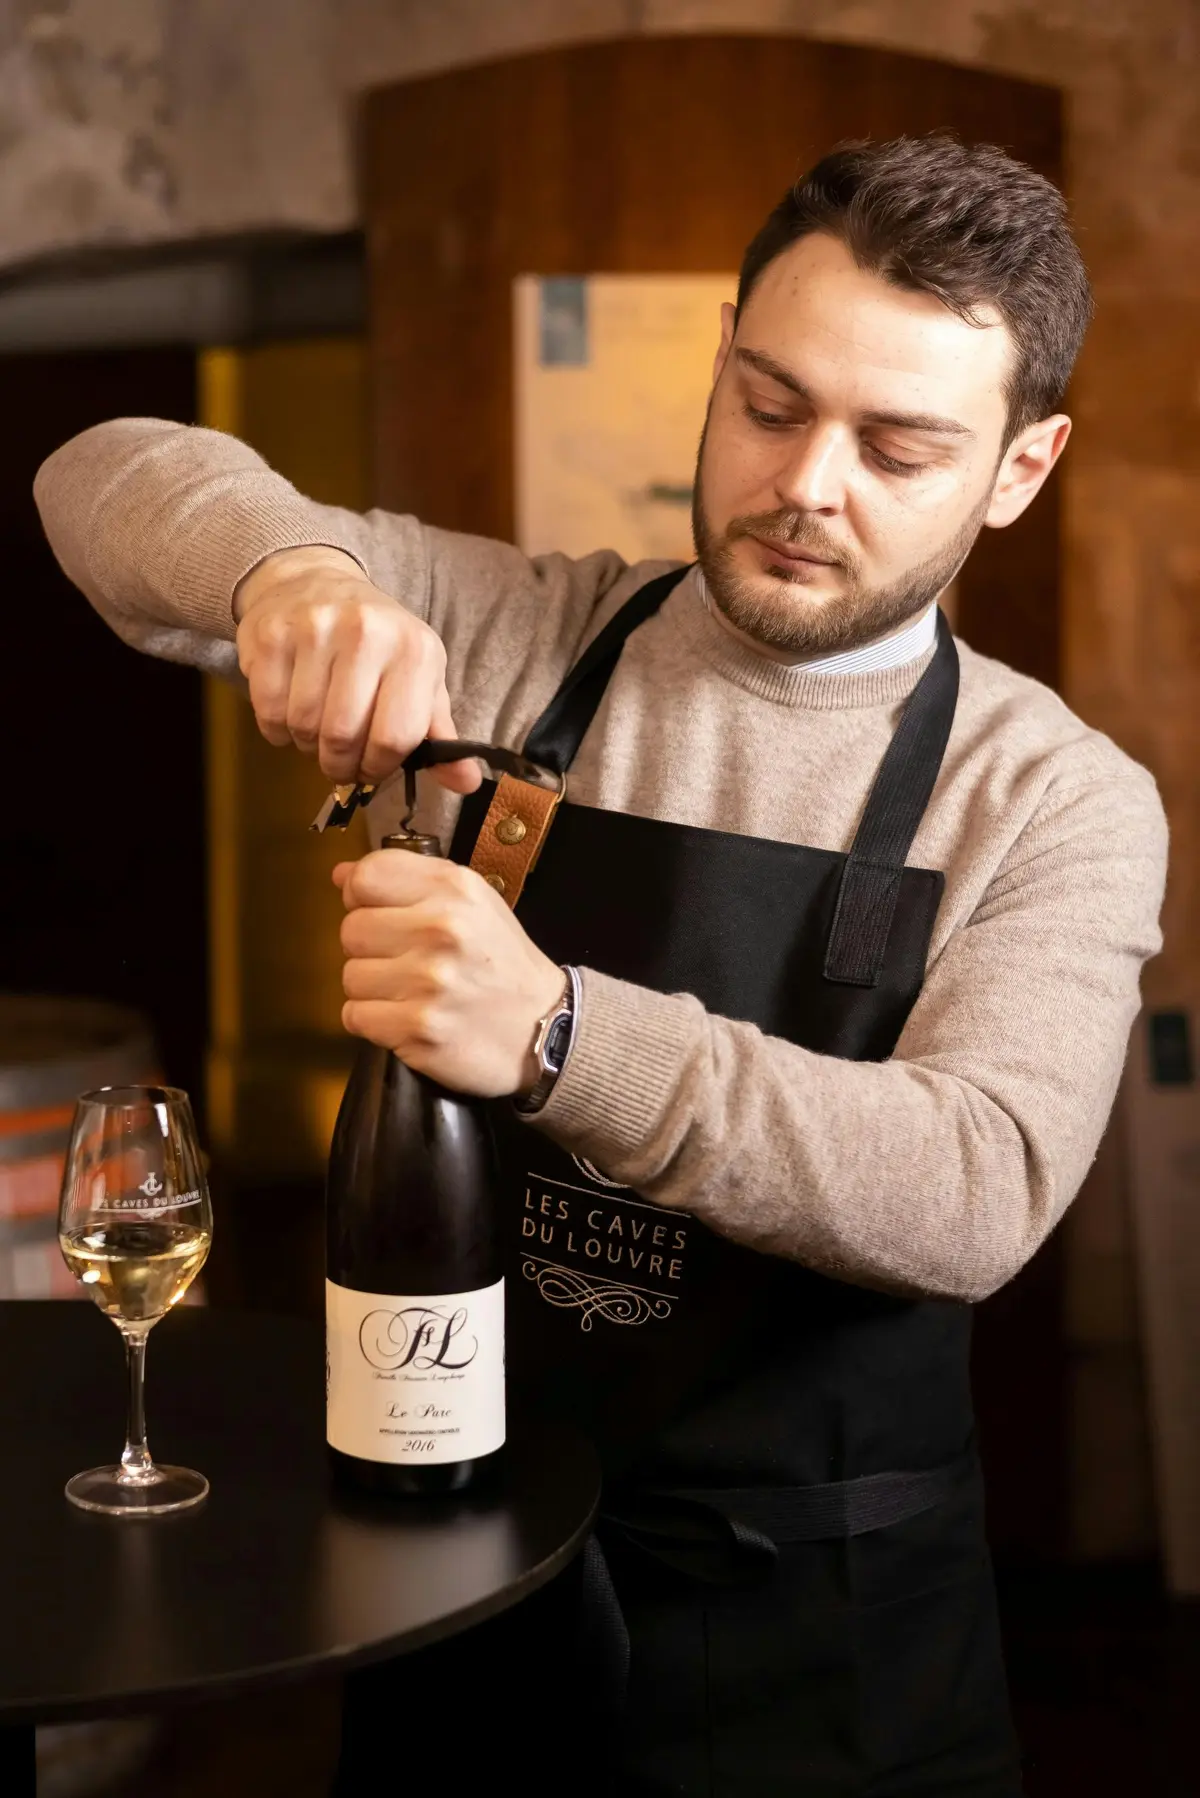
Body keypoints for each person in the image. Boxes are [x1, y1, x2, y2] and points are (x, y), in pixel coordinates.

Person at [36, 133, 1166, 1797]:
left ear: (1020, 464)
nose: (808, 482)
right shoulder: (519, 633)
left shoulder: (1052, 795)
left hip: (822, 1650)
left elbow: (975, 1181)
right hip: (461, 1578)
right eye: (772, 403)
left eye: (899, 445)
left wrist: (559, 1035)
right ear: (720, 359)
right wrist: (288, 574)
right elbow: (97, 471)